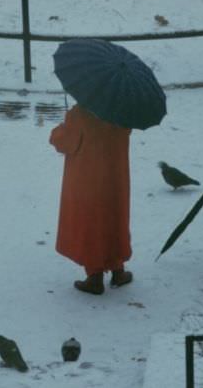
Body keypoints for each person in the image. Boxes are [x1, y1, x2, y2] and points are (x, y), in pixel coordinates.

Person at [50, 104, 133, 295]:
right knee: (115, 218)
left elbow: (65, 143)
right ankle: (118, 270)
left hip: (87, 180)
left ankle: (94, 276)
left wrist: (59, 129)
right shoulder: (122, 111)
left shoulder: (81, 112)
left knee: (91, 221)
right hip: (115, 179)